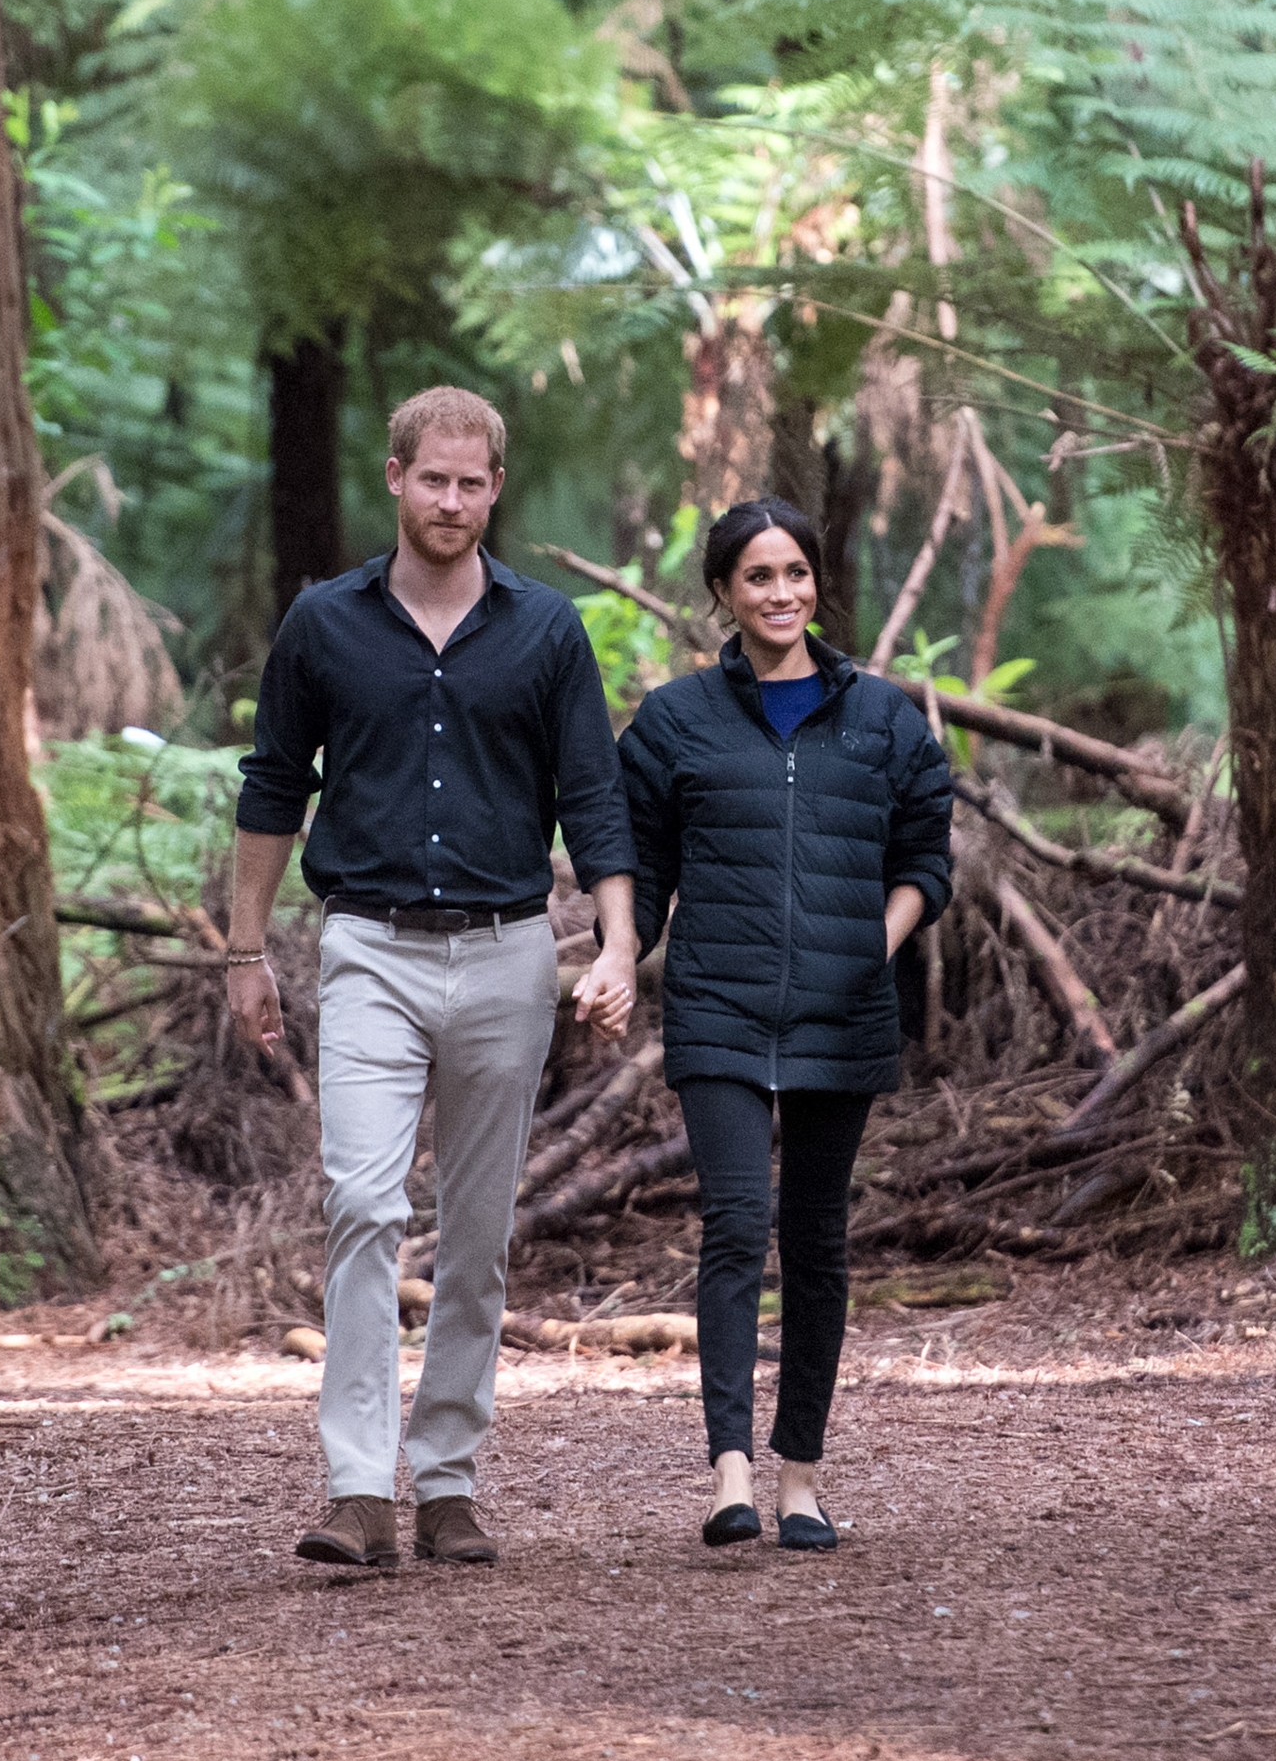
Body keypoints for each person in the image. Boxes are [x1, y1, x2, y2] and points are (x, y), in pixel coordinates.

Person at [229, 386, 640, 1571]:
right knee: (362, 1203)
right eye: (433, 479)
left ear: (494, 489)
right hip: (367, 944)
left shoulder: (547, 630)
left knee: (478, 1229)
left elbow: (593, 797)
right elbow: (271, 785)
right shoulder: (323, 622)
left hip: (510, 951)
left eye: (473, 483)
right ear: (397, 476)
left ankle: (449, 1475)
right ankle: (359, 1486)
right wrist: (245, 952)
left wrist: (613, 943)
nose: (452, 501)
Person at [617, 497, 952, 1551]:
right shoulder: (675, 720)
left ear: (817, 584)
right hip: (717, 1000)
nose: (780, 593)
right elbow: (639, 867)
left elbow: (926, 859)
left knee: (816, 1238)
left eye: (795, 573)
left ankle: (800, 1472)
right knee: (734, 1222)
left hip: (843, 1010)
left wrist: (875, 944)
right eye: (758, 576)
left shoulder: (885, 718)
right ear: (722, 591)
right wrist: (614, 955)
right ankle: (730, 1471)